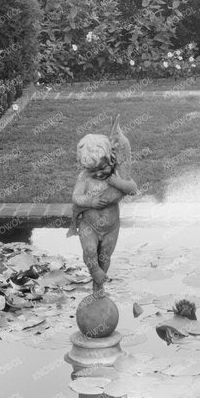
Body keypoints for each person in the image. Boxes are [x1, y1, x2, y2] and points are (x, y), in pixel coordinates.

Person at [66, 116, 137, 293]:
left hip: (111, 227)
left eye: (102, 168)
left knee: (105, 256)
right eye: (93, 170)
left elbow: (132, 188)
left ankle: (98, 285)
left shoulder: (115, 176)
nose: (98, 173)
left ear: (111, 159)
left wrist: (116, 183)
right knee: (90, 250)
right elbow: (76, 197)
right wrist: (91, 201)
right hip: (89, 225)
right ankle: (95, 271)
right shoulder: (84, 177)